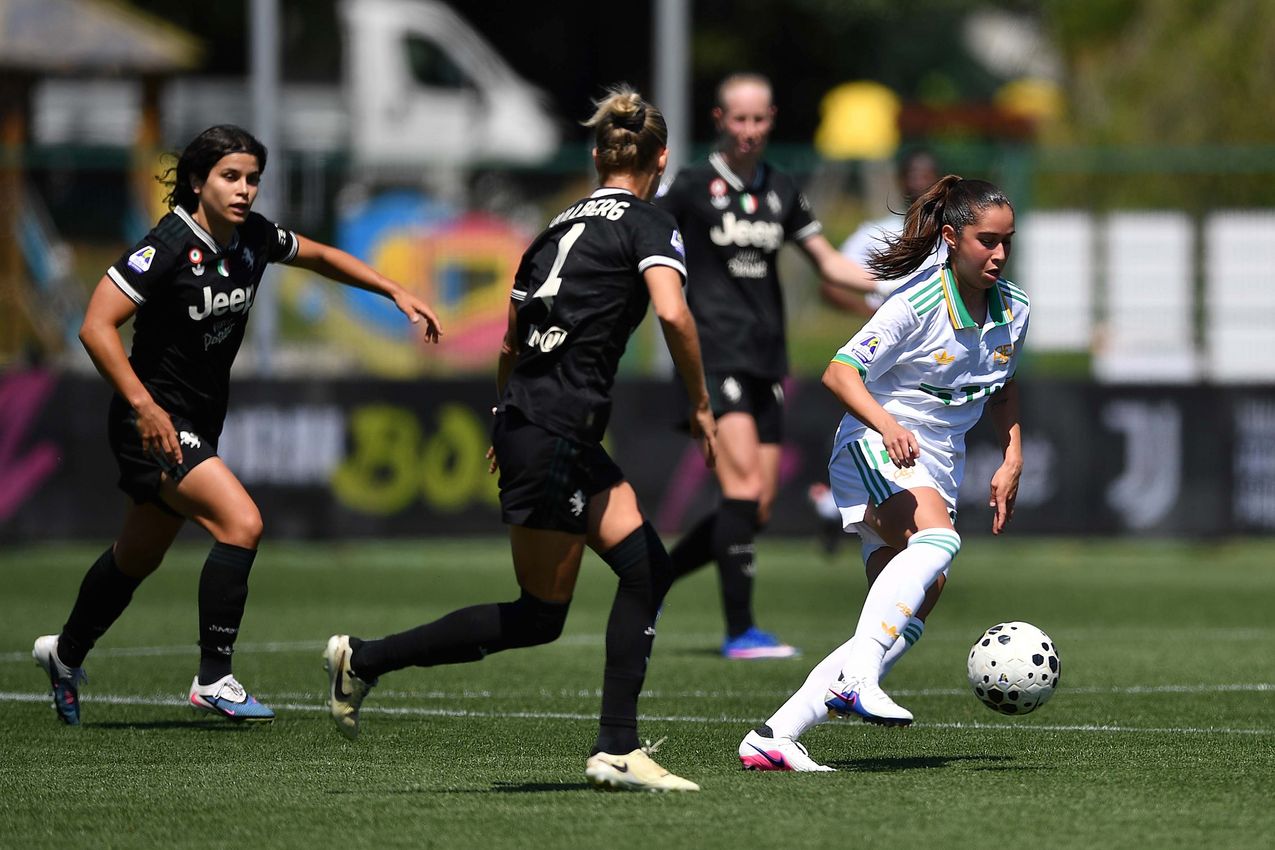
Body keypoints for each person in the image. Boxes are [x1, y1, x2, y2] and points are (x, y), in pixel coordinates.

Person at [322, 85, 717, 793]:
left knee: (644, 570)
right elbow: (674, 316)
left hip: (540, 423)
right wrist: (701, 404)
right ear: (659, 159)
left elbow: (509, 343)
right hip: (555, 428)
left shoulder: (551, 228)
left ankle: (615, 746)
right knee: (540, 615)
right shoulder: (648, 223)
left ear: (598, 155)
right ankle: (366, 659)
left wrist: (508, 418)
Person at [31, 124, 442, 726]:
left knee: (135, 557)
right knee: (242, 522)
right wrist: (145, 407)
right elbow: (95, 325)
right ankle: (213, 677)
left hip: (196, 419)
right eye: (230, 177)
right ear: (198, 181)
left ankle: (63, 656)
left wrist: (393, 291)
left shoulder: (251, 238)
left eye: (252, 178)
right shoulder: (167, 246)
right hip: (151, 420)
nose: (244, 189)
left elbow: (320, 255)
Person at [738, 175, 1027, 771]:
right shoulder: (915, 303)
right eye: (986, 241)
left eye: (1007, 242)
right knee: (939, 542)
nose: (999, 254)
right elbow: (840, 373)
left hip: (936, 463)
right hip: (874, 445)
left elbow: (1001, 386)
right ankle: (860, 677)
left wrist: (1013, 454)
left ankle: (777, 735)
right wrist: (888, 425)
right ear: (950, 238)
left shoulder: (1014, 310)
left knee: (921, 594)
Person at [657, 72, 884, 660]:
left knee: (754, 507)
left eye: (760, 120)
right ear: (720, 120)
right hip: (715, 355)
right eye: (740, 119)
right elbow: (643, 243)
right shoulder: (690, 186)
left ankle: (653, 576)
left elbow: (830, 264)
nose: (750, 130)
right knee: (741, 489)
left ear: (772, 119)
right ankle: (740, 632)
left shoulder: (782, 188)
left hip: (766, 360)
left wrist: (902, 285)